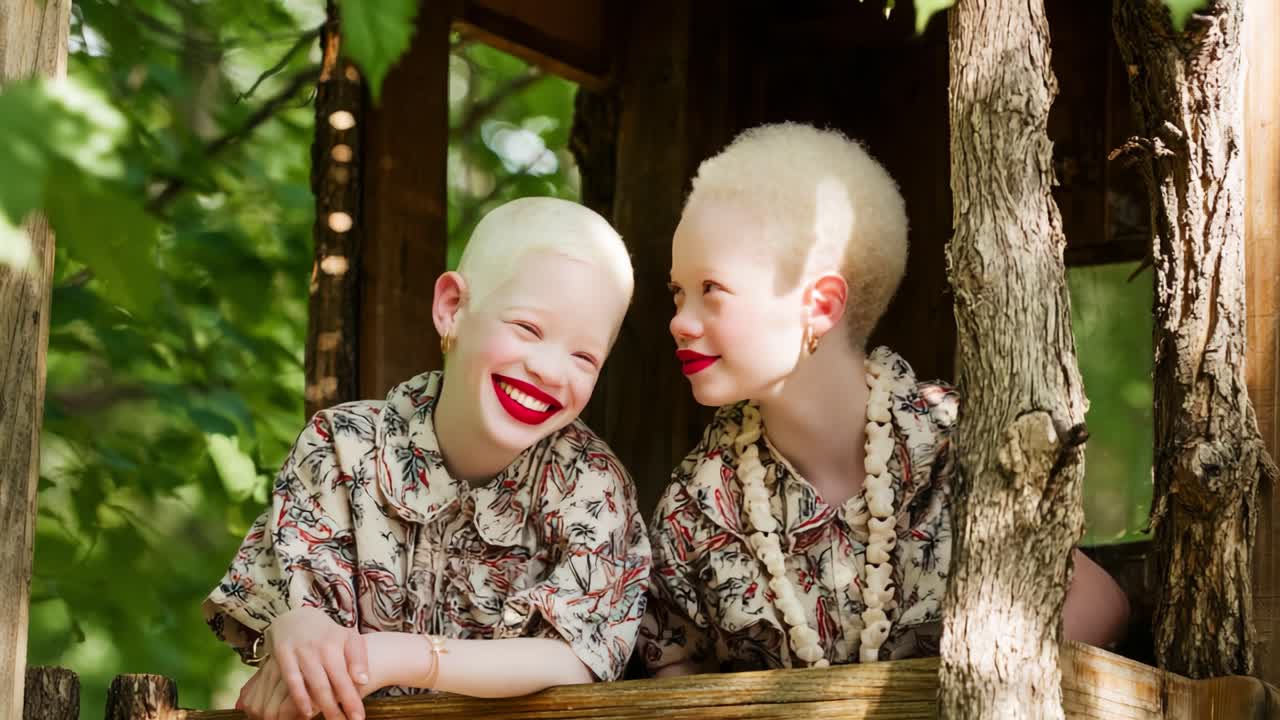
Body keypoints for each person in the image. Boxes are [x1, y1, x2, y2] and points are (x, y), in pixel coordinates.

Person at [640, 123, 1131, 675]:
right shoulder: (692, 506)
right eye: (677, 293)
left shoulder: (957, 438)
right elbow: (673, 674)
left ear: (822, 305)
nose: (680, 322)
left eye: (712, 290)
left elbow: (1100, 605)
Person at [204, 197, 651, 720]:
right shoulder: (343, 446)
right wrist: (295, 630)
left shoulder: (592, 482)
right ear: (452, 308)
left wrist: (402, 657)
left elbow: (579, 656)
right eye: (528, 328)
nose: (551, 370)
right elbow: (308, 657)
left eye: (584, 357)